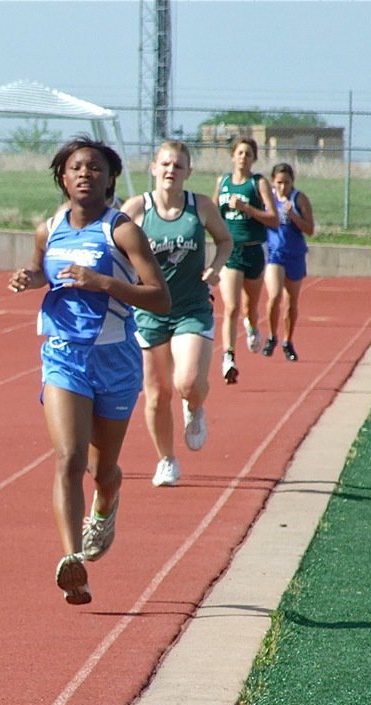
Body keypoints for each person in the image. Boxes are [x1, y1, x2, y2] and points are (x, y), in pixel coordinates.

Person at [8, 136, 170, 605]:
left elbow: (160, 298)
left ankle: (107, 502)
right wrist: (30, 277)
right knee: (68, 459)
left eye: (95, 168)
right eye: (77, 167)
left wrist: (102, 282)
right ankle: (72, 561)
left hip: (115, 359)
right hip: (64, 355)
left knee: (102, 468)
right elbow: (44, 270)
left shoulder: (122, 231)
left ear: (109, 178)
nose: (85, 174)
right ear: (62, 176)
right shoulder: (49, 228)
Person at [122, 141, 232, 488]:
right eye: (165, 164)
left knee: (186, 382)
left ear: (188, 172)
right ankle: (167, 460)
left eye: (178, 165)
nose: (171, 171)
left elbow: (225, 241)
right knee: (156, 394)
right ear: (153, 167)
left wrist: (215, 267)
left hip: (191, 308)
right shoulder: (137, 209)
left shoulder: (199, 206)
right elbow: (115, 251)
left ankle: (195, 405)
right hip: (150, 312)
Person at [213, 137, 278, 385]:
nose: (243, 157)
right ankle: (228, 357)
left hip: (254, 250)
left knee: (250, 307)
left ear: (254, 158)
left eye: (248, 154)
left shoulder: (258, 183)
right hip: (232, 251)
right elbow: (213, 213)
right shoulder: (223, 182)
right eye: (240, 153)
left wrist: (247, 209)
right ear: (232, 156)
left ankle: (251, 326)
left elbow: (273, 219)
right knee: (230, 306)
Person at [262, 162, 315, 361]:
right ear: (272, 182)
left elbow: (310, 229)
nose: (282, 187)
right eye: (278, 183)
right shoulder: (268, 198)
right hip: (274, 253)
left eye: (286, 183)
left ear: (293, 182)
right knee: (274, 295)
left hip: (295, 253)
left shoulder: (299, 199)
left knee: (291, 302)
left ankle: (287, 340)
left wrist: (293, 215)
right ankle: (271, 336)